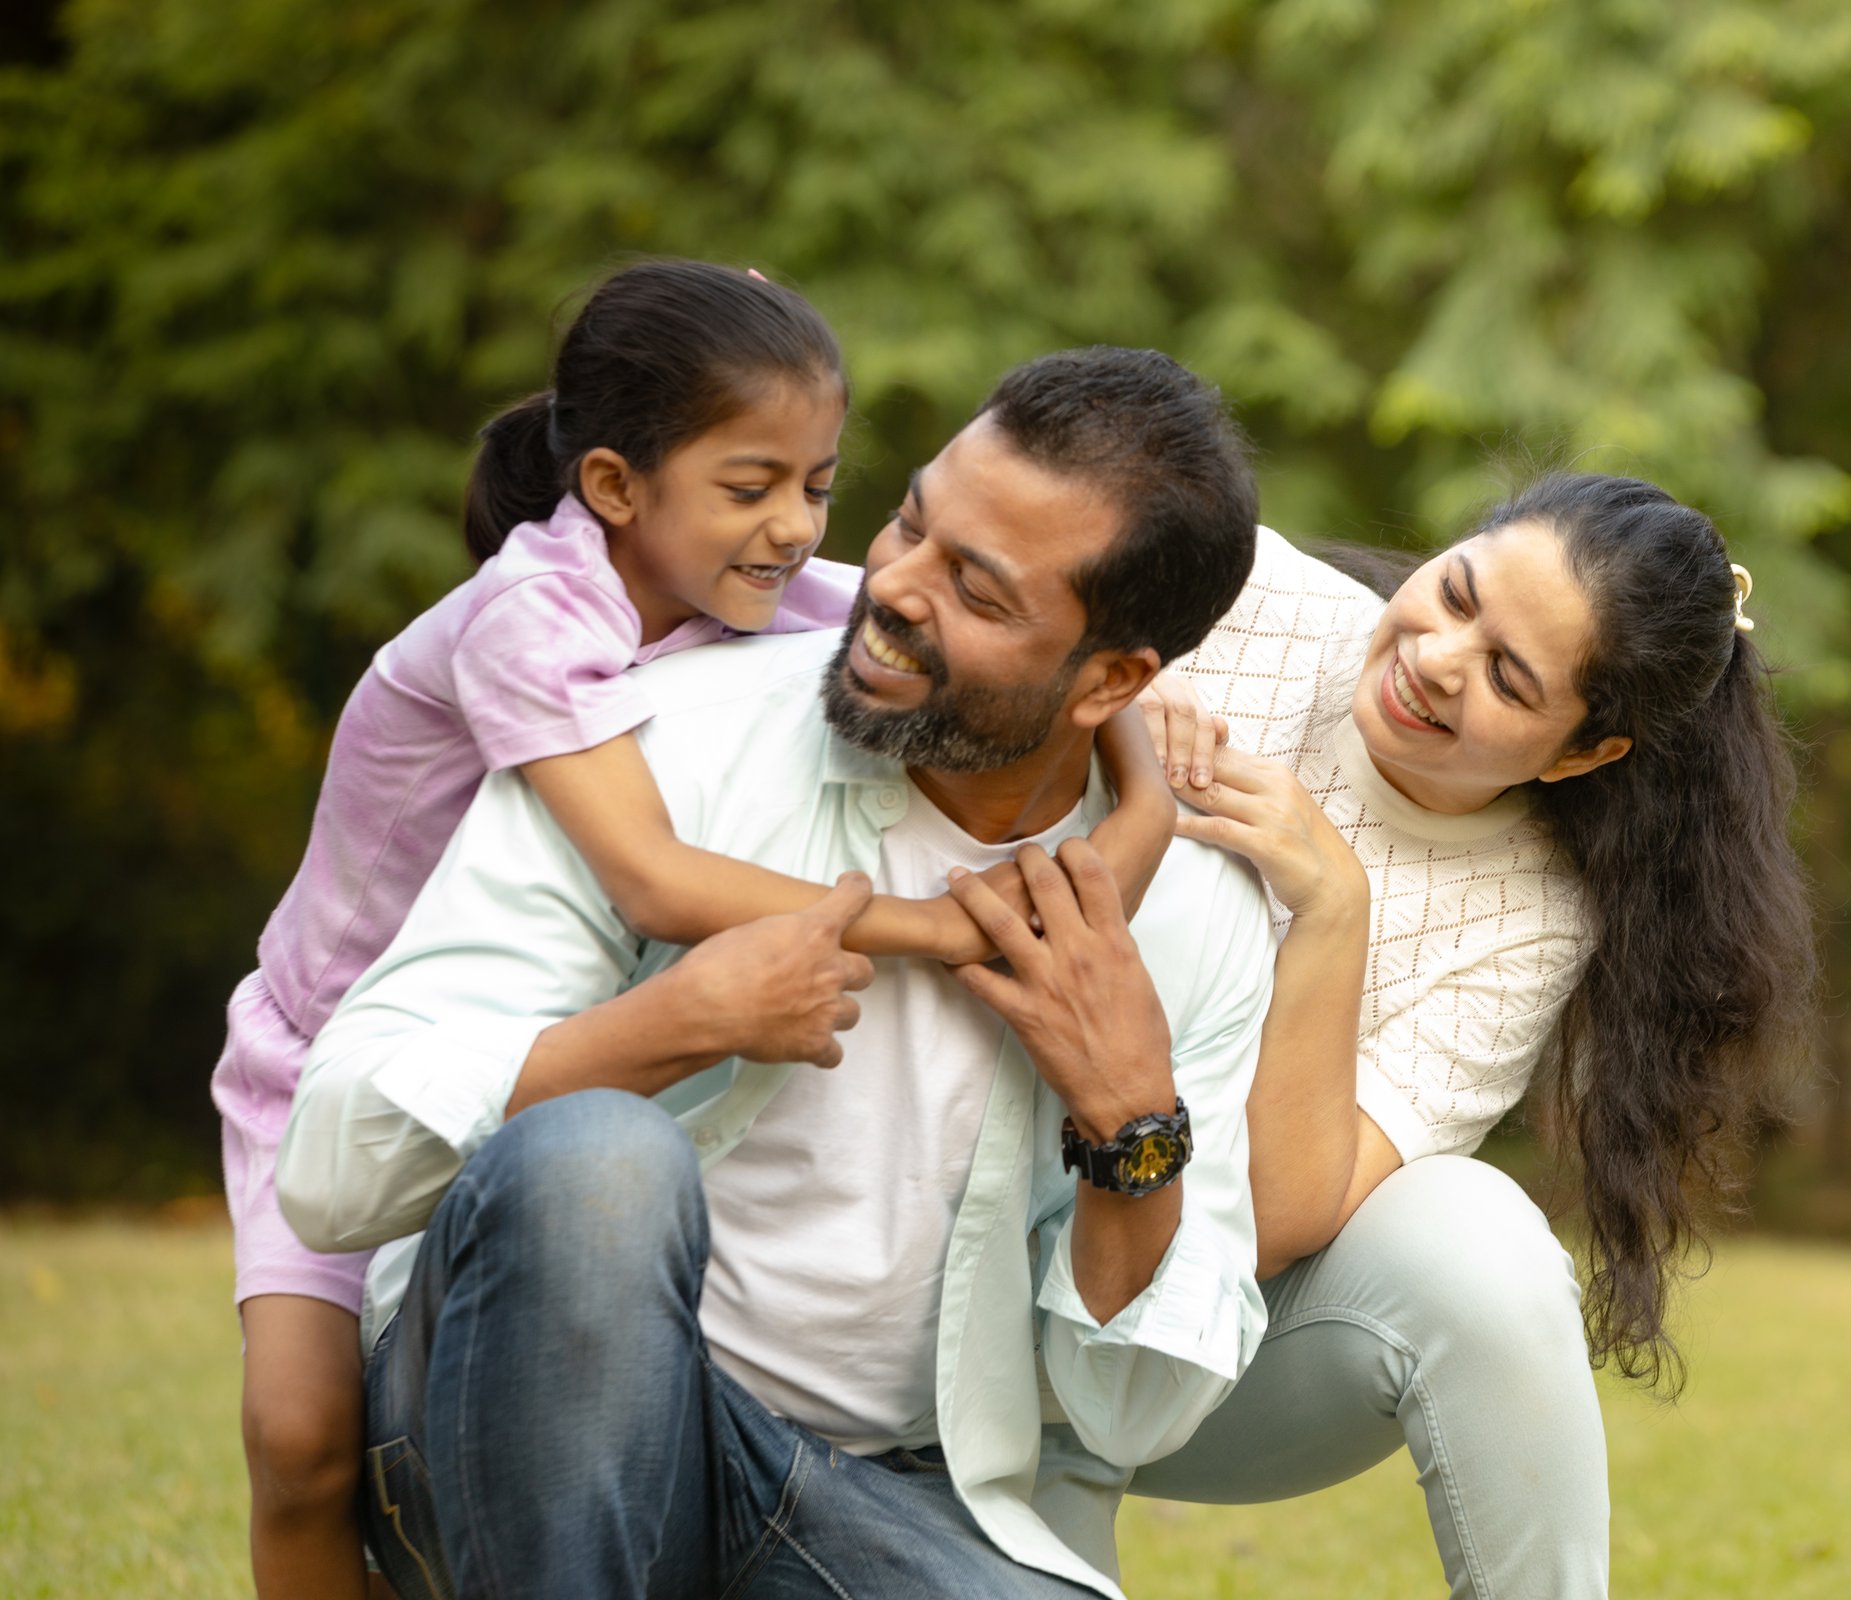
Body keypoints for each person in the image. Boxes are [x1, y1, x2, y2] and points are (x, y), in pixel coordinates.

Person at [213, 262, 1170, 1600]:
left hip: (525, 1036)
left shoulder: (760, 587)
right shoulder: (531, 617)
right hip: (332, 1042)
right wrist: (939, 930)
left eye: (822, 487)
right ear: (614, 488)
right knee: (303, 1442)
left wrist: (1143, 776)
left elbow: (1030, 636)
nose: (795, 529)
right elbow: (656, 882)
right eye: (751, 486)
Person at [1126, 473, 1817, 1598]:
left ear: (1581, 755)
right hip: (917, 1206)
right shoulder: (1236, 586)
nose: (1439, 659)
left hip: (1180, 1341)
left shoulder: (1528, 921)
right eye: (1455, 593)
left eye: (1508, 676)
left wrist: (1331, 908)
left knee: (1480, 1233)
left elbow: (1274, 1219)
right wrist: (1098, 710)